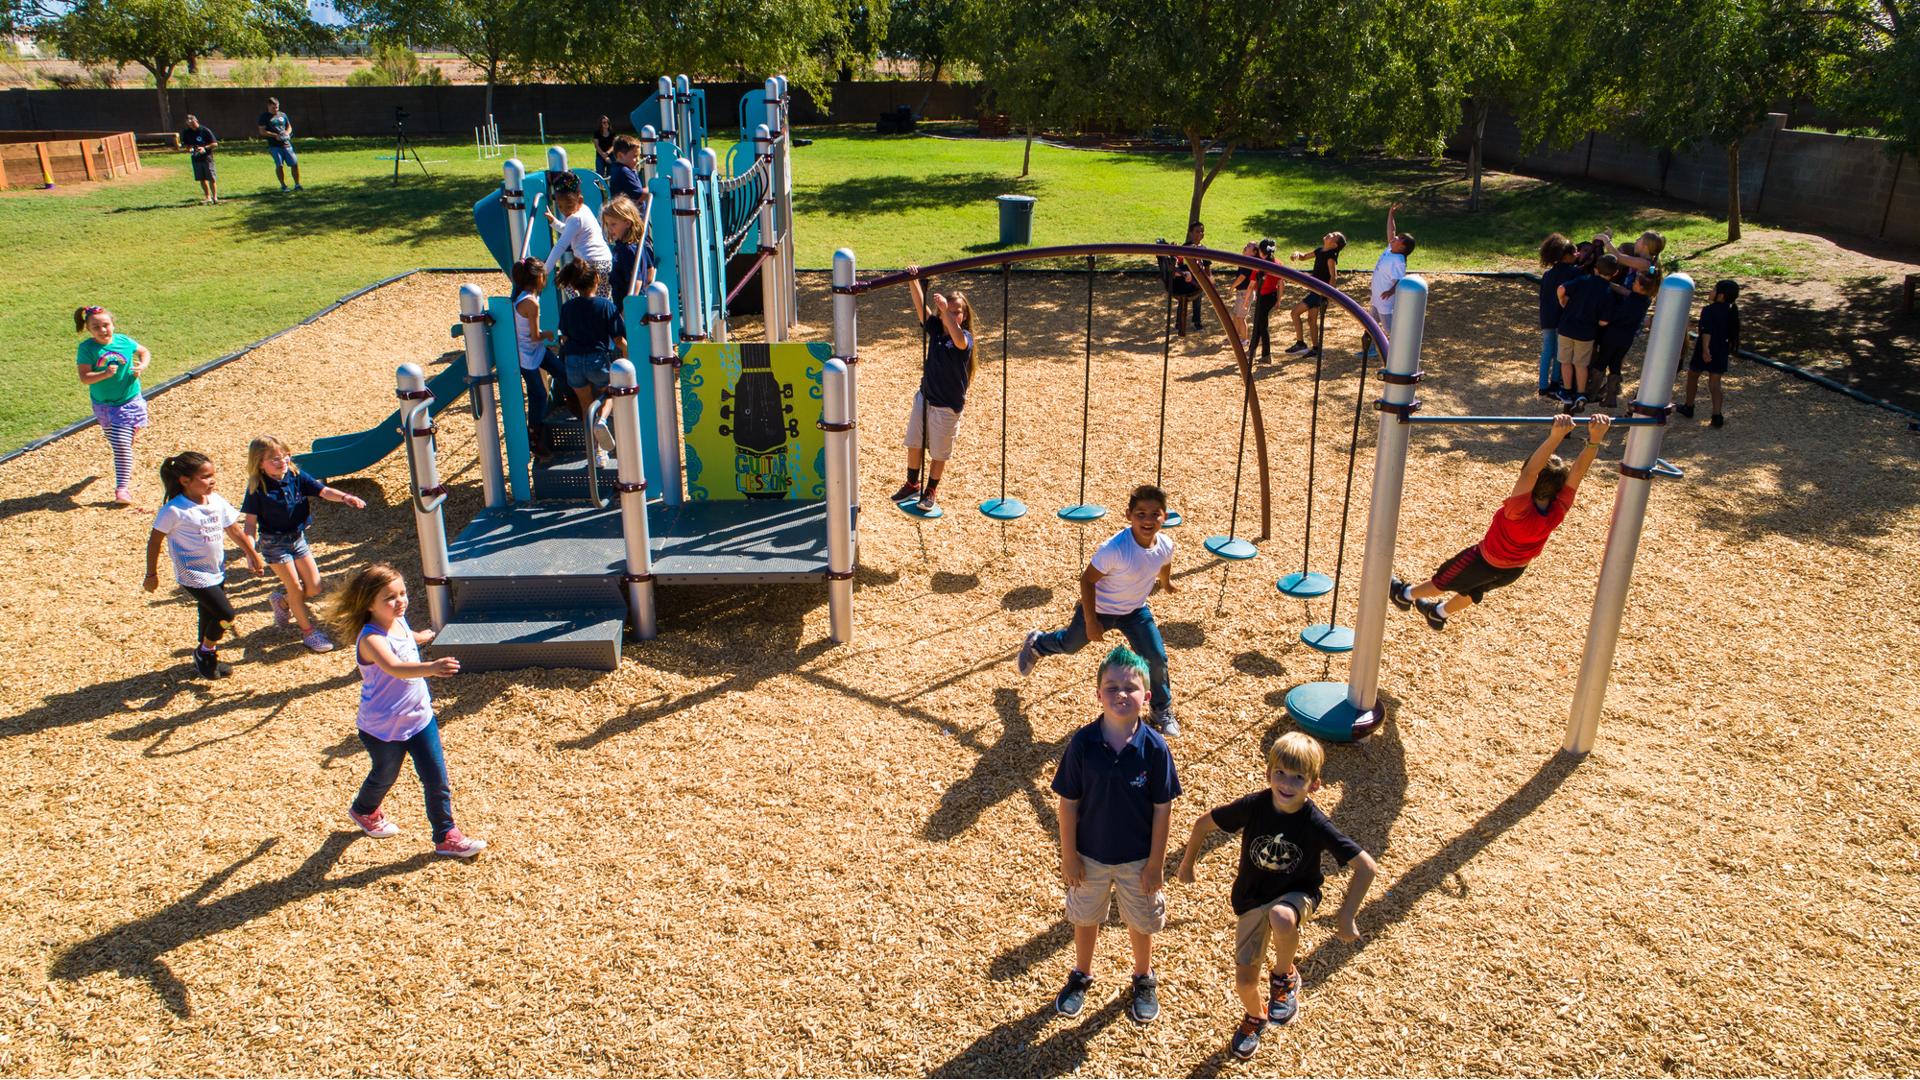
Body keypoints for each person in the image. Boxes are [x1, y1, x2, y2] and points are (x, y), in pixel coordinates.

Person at [1176, 732, 1376, 1059]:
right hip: (1251, 899)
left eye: (1298, 777)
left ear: (1314, 785)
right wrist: (1187, 864)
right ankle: (1256, 1016)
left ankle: (1283, 976)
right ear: (1269, 773)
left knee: (1281, 917)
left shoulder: (1315, 823)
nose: (1287, 783)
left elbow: (1366, 867)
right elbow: (1202, 824)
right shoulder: (1254, 806)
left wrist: (1346, 914)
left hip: (1297, 895)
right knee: (1243, 983)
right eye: (1280, 772)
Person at [1047, 646, 1182, 1026]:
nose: (1121, 694)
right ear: (1097, 694)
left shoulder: (1155, 749)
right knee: (1085, 916)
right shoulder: (1083, 744)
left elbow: (1162, 809)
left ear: (1148, 696)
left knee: (1140, 920)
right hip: (1090, 855)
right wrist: (1069, 855)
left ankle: (1142, 977)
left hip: (1137, 858)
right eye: (1111, 687)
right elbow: (1068, 803)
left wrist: (1156, 863)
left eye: (1130, 687)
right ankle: (1081, 973)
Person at [1389, 414, 1612, 629]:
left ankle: (1404, 595)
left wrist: (1555, 437)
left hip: (1483, 561)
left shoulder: (1519, 510)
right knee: (1472, 591)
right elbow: (1577, 473)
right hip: (1514, 570)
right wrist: (1595, 440)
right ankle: (1438, 614)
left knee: (1442, 581)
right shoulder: (1558, 509)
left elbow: (1530, 474)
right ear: (1559, 488)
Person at [328, 564, 486, 858]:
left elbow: (405, 635)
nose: (400, 601)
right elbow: (395, 667)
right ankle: (364, 810)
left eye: (402, 593)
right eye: (390, 597)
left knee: (436, 779)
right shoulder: (371, 639)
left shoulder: (397, 621)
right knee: (385, 774)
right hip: (382, 726)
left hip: (419, 718)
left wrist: (420, 636)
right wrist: (432, 668)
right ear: (369, 604)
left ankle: (446, 835)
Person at [1018, 484, 1181, 736]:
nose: (1148, 520)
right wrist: (1092, 621)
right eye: (1140, 514)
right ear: (1128, 515)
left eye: (1154, 514)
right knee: (1070, 645)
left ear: (1165, 517)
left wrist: (1166, 583)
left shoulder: (1166, 544)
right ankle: (1038, 644)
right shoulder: (1114, 549)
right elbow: (1087, 580)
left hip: (1135, 611)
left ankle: (1161, 708)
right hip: (1101, 609)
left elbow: (1163, 563)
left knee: (1157, 659)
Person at [144, 451, 264, 679]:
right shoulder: (174, 510)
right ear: (185, 481)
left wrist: (252, 554)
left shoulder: (216, 501)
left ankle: (208, 658)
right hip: (192, 574)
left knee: (209, 615)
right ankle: (204, 650)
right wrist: (151, 574)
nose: (212, 480)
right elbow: (154, 541)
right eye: (206, 477)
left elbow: (234, 530)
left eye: (212, 475)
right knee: (226, 615)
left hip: (216, 570)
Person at [241, 435, 366, 653]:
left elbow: (323, 491)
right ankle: (309, 633)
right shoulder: (257, 489)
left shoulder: (295, 476)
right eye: (274, 459)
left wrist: (345, 497)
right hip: (274, 543)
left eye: (285, 456)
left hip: (297, 539)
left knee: (314, 586)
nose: (282, 461)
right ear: (259, 463)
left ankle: (282, 603)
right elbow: (250, 525)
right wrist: (251, 552)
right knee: (296, 588)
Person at [889, 266, 975, 513]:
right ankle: (912, 482)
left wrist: (945, 312)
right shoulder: (936, 330)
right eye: (951, 311)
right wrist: (913, 280)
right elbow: (920, 307)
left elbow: (958, 338)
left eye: (958, 312)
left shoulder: (965, 338)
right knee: (914, 442)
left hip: (947, 405)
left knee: (939, 452)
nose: (954, 315)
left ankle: (931, 490)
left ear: (964, 316)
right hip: (925, 397)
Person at [73, 305, 151, 506]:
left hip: (129, 402)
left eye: (106, 325)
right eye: (96, 327)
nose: (102, 330)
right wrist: (104, 374)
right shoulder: (87, 349)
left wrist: (141, 365)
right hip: (103, 406)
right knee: (116, 439)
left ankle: (122, 489)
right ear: (89, 329)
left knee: (121, 447)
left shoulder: (124, 342)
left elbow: (144, 352)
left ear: (113, 325)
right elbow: (84, 377)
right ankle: (126, 434)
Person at [556, 259, 626, 463]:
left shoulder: (568, 307)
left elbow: (565, 336)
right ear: (596, 279)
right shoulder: (606, 306)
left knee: (587, 406)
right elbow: (618, 339)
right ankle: (603, 420)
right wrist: (629, 359)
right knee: (611, 393)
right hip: (597, 359)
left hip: (574, 361)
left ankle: (596, 452)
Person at [509, 257, 570, 457]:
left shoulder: (521, 295)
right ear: (539, 278)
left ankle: (573, 402)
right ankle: (535, 438)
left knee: (562, 372)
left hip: (534, 350)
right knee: (539, 394)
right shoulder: (531, 303)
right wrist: (549, 335)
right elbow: (535, 335)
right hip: (528, 354)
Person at [1592, 267, 1661, 408]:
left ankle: (1592, 393)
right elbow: (1625, 291)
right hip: (1626, 338)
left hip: (1612, 335)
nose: (1633, 283)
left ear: (1641, 287)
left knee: (1601, 362)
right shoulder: (1645, 300)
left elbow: (1617, 314)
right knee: (1615, 365)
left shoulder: (1629, 302)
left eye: (1635, 281)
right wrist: (1609, 283)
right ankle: (1611, 398)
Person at [1555, 253, 1616, 410]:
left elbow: (1561, 288)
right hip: (1586, 333)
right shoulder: (1608, 292)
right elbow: (1604, 321)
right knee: (1581, 364)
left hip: (1566, 328)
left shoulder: (1583, 280)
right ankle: (1581, 393)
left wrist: (1562, 302)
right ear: (1615, 273)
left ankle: (1566, 390)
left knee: (1565, 361)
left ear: (1595, 269)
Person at [1680, 279, 1739, 428]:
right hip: (1721, 349)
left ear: (1721, 295)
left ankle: (1689, 406)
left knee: (1693, 375)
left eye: (1713, 289)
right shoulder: (1731, 312)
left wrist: (1706, 350)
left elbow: (1707, 331)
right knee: (1715, 383)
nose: (1710, 291)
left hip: (1705, 349)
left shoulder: (1708, 310)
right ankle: (1717, 414)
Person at [543, 170, 613, 296]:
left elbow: (561, 245)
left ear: (579, 200)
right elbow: (570, 231)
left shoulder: (575, 219)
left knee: (565, 280)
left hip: (590, 263)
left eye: (568, 205)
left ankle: (578, 305)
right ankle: (601, 312)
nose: (565, 210)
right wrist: (554, 222)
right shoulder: (584, 211)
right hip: (606, 261)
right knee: (602, 298)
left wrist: (546, 270)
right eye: (560, 206)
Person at [1362, 204, 1411, 359]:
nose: (1394, 238)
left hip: (1385, 300)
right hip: (1377, 297)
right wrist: (1391, 214)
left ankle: (1400, 353)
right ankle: (1370, 350)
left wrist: (1390, 292)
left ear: (1403, 247)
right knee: (1370, 324)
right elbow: (1392, 231)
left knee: (1389, 328)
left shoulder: (1399, 260)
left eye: (1399, 240)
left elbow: (1399, 280)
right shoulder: (1390, 250)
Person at [1285, 230, 1346, 356]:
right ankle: (1316, 348)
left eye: (1334, 236)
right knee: (1311, 319)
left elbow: (1333, 276)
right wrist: (1297, 254)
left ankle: (1300, 343)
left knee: (1295, 313)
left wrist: (1330, 294)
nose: (1330, 234)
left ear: (1334, 245)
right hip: (1315, 290)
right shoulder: (1320, 251)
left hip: (1320, 292)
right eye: (1332, 233)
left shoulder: (1330, 256)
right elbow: (1304, 257)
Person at [1536, 233, 1582, 397]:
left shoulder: (1548, 274)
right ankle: (1555, 381)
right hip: (1562, 318)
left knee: (1547, 349)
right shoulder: (1575, 274)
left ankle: (1542, 384)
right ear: (1568, 255)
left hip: (1547, 316)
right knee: (1560, 353)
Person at [602, 194, 655, 313]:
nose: (610, 229)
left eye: (613, 224)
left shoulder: (626, 250)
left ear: (627, 223)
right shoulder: (640, 244)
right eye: (607, 224)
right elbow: (650, 270)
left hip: (628, 307)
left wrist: (627, 312)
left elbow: (637, 281)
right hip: (638, 302)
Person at [1164, 221, 1208, 335]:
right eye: (1197, 231)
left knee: (1198, 298)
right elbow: (1179, 264)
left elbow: (1207, 267)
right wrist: (1184, 273)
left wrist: (1209, 279)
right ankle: (1179, 323)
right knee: (1184, 300)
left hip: (1197, 282)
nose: (1200, 234)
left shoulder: (1204, 249)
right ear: (1191, 233)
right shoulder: (1185, 247)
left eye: (1202, 231)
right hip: (1185, 282)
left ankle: (1197, 322)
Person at [1246, 239, 1284, 365]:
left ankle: (1266, 354)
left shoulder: (1260, 265)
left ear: (1261, 252)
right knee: (1258, 322)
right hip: (1272, 296)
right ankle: (1252, 350)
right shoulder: (1277, 263)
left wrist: (1246, 300)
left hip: (1264, 297)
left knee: (1262, 325)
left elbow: (1251, 285)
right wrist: (1278, 300)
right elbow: (1281, 283)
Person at [256, 96, 301, 192]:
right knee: (279, 165)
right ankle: (284, 186)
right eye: (273, 107)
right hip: (274, 146)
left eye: (277, 107)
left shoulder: (283, 115)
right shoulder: (264, 117)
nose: (276, 109)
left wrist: (287, 133)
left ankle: (297, 185)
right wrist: (275, 135)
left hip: (286, 144)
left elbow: (289, 127)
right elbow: (262, 131)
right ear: (268, 106)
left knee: (294, 163)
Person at [181, 115, 218, 204]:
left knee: (211, 178)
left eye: (191, 120)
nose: (190, 122)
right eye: (188, 121)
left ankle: (215, 198)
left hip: (207, 158)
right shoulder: (186, 132)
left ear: (196, 120)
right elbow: (186, 145)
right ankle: (207, 197)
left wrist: (204, 148)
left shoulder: (205, 130)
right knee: (202, 179)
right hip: (196, 158)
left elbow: (215, 144)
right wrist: (189, 149)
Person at [608, 134, 647, 204]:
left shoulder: (617, 168)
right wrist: (653, 187)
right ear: (620, 156)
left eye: (639, 156)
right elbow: (640, 195)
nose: (638, 159)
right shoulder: (624, 171)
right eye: (635, 156)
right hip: (631, 213)